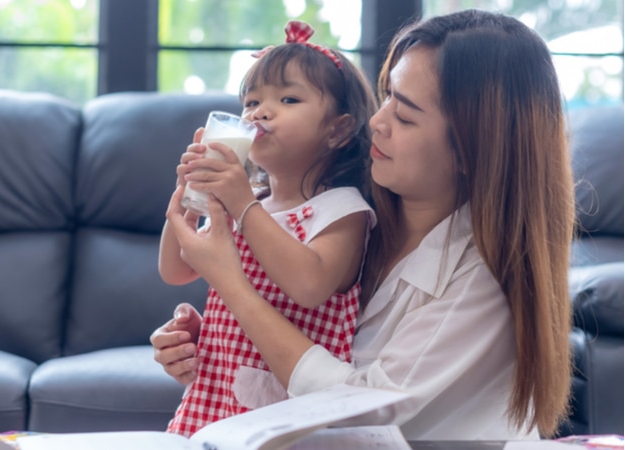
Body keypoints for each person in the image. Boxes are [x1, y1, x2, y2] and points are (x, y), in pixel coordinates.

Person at [152, 9, 574, 440]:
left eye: (405, 116)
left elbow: (362, 412)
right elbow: (294, 328)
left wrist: (234, 289)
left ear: (471, 150)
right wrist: (218, 344)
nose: (376, 122)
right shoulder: (344, 220)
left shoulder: (481, 275)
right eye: (387, 96)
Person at [158, 20, 378, 437]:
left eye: (288, 98)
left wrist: (240, 204)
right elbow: (177, 270)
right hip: (215, 396)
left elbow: (309, 285)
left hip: (286, 411)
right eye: (251, 102)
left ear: (339, 129)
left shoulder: (341, 209)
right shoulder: (252, 202)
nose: (259, 112)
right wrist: (186, 200)